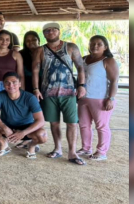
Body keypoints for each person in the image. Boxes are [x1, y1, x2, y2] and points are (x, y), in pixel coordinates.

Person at [32, 22, 87, 165]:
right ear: (44, 34)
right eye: (47, 31)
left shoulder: (70, 47)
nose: (50, 32)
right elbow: (35, 71)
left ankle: (72, 152)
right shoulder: (40, 50)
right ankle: (57, 149)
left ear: (59, 32)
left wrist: (81, 85)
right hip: (48, 92)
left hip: (69, 92)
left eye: (53, 30)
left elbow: (81, 67)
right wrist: (36, 89)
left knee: (72, 123)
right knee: (54, 123)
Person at [0, 72, 48, 158]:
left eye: (14, 82)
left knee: (43, 135)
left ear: (20, 84)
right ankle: (3, 144)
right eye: (7, 82)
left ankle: (32, 146)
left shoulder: (30, 98)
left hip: (26, 129)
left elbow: (41, 121)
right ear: (3, 85)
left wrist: (23, 132)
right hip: (8, 129)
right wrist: (5, 127)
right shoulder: (0, 96)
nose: (11, 85)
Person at [78, 35, 119, 160]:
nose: (95, 46)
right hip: (83, 98)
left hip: (101, 99)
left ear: (105, 47)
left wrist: (110, 98)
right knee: (84, 125)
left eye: (99, 44)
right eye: (92, 43)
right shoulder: (83, 59)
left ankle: (101, 152)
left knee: (101, 126)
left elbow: (114, 80)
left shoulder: (108, 61)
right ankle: (86, 148)